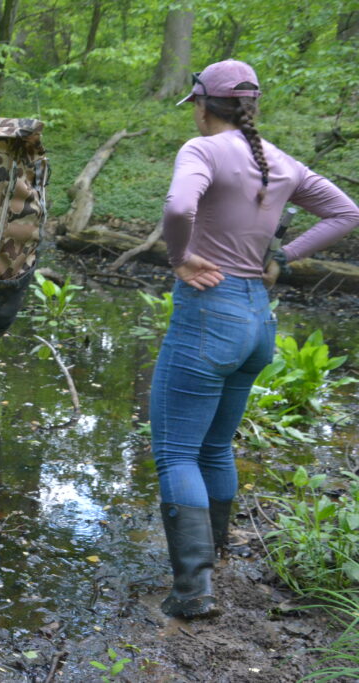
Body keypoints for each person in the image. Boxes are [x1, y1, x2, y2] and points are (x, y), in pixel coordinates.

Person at [151, 59, 359, 619]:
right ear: (250, 106)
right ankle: (215, 552)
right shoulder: (282, 163)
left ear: (201, 104)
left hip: (206, 319)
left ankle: (192, 592)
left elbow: (177, 207)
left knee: (175, 453)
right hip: (257, 322)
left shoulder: (201, 151)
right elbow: (346, 211)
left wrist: (180, 258)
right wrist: (282, 257)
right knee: (214, 446)